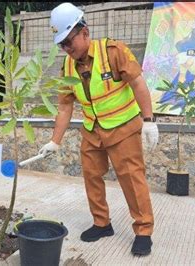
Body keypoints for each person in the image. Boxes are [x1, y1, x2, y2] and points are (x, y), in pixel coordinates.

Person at [39, 3, 159, 256]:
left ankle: (143, 230)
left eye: (69, 42)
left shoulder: (113, 52)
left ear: (84, 32)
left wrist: (148, 120)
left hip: (123, 127)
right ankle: (102, 223)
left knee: (131, 179)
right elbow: (64, 107)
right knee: (92, 177)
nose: (66, 49)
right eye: (61, 45)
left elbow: (137, 83)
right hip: (92, 131)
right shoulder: (68, 67)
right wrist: (55, 141)